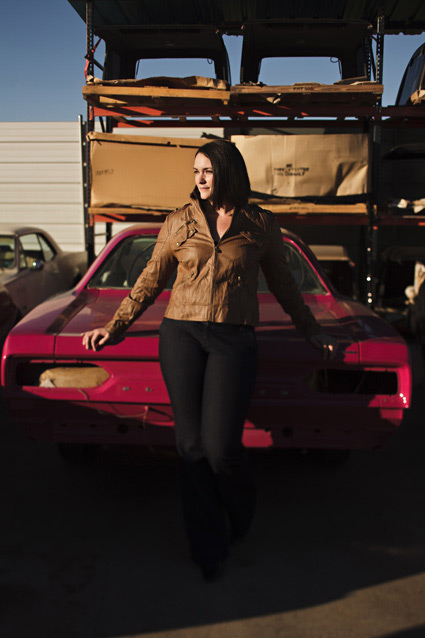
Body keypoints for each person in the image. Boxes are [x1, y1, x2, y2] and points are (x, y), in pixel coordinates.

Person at [82, 139, 337, 581]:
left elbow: (284, 285)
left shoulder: (259, 224)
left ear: (228, 173)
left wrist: (311, 329)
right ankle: (208, 546)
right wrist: (116, 325)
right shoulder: (178, 222)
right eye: (196, 171)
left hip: (233, 339)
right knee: (190, 446)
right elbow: (150, 279)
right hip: (180, 333)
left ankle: (240, 510)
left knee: (222, 449)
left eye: (207, 171)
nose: (199, 179)